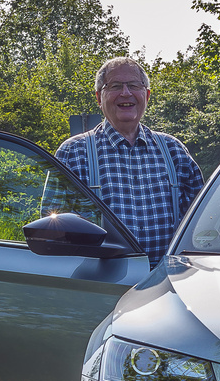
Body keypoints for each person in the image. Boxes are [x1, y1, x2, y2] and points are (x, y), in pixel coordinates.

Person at [56, 56, 205, 266]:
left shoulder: (174, 151)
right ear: (99, 97)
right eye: (115, 86)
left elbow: (203, 226)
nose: (126, 93)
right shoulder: (73, 153)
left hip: (166, 285)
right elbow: (53, 233)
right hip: (99, 286)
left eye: (134, 85)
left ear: (147, 95)